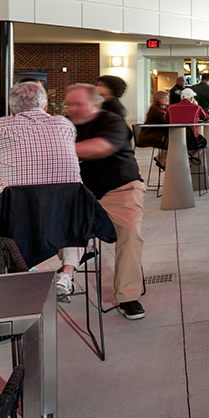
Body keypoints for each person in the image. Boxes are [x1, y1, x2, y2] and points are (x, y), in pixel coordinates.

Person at [0, 81, 82, 297]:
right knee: (72, 210)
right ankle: (66, 276)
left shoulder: (0, 126)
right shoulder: (65, 125)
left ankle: (24, 270)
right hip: (64, 214)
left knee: (5, 216)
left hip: (19, 215)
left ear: (12, 108)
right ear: (46, 105)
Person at [63, 85, 147, 320]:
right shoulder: (64, 125)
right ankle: (70, 265)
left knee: (130, 234)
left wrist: (58, 150)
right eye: (69, 105)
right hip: (82, 192)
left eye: (78, 104)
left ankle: (128, 297)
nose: (72, 109)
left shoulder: (111, 121)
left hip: (121, 188)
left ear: (94, 104)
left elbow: (101, 147)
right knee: (52, 221)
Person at [167, 89, 209, 158]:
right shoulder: (197, 108)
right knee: (205, 144)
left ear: (181, 98)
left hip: (173, 139)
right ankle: (191, 158)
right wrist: (196, 105)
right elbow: (206, 117)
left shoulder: (170, 108)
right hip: (192, 141)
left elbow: (165, 119)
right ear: (192, 98)